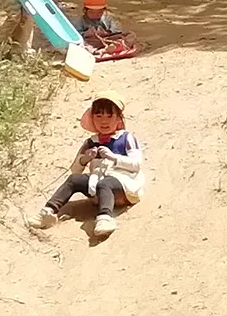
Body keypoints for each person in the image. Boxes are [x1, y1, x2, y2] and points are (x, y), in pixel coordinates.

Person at [30, 90, 145, 237]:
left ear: (118, 119)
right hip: (97, 185)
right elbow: (75, 170)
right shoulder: (91, 142)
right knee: (74, 181)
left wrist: (114, 157)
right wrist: (85, 159)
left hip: (124, 187)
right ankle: (48, 212)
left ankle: (105, 218)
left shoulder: (126, 138)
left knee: (106, 184)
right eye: (99, 116)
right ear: (93, 118)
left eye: (110, 116)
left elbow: (136, 164)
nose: (104, 121)